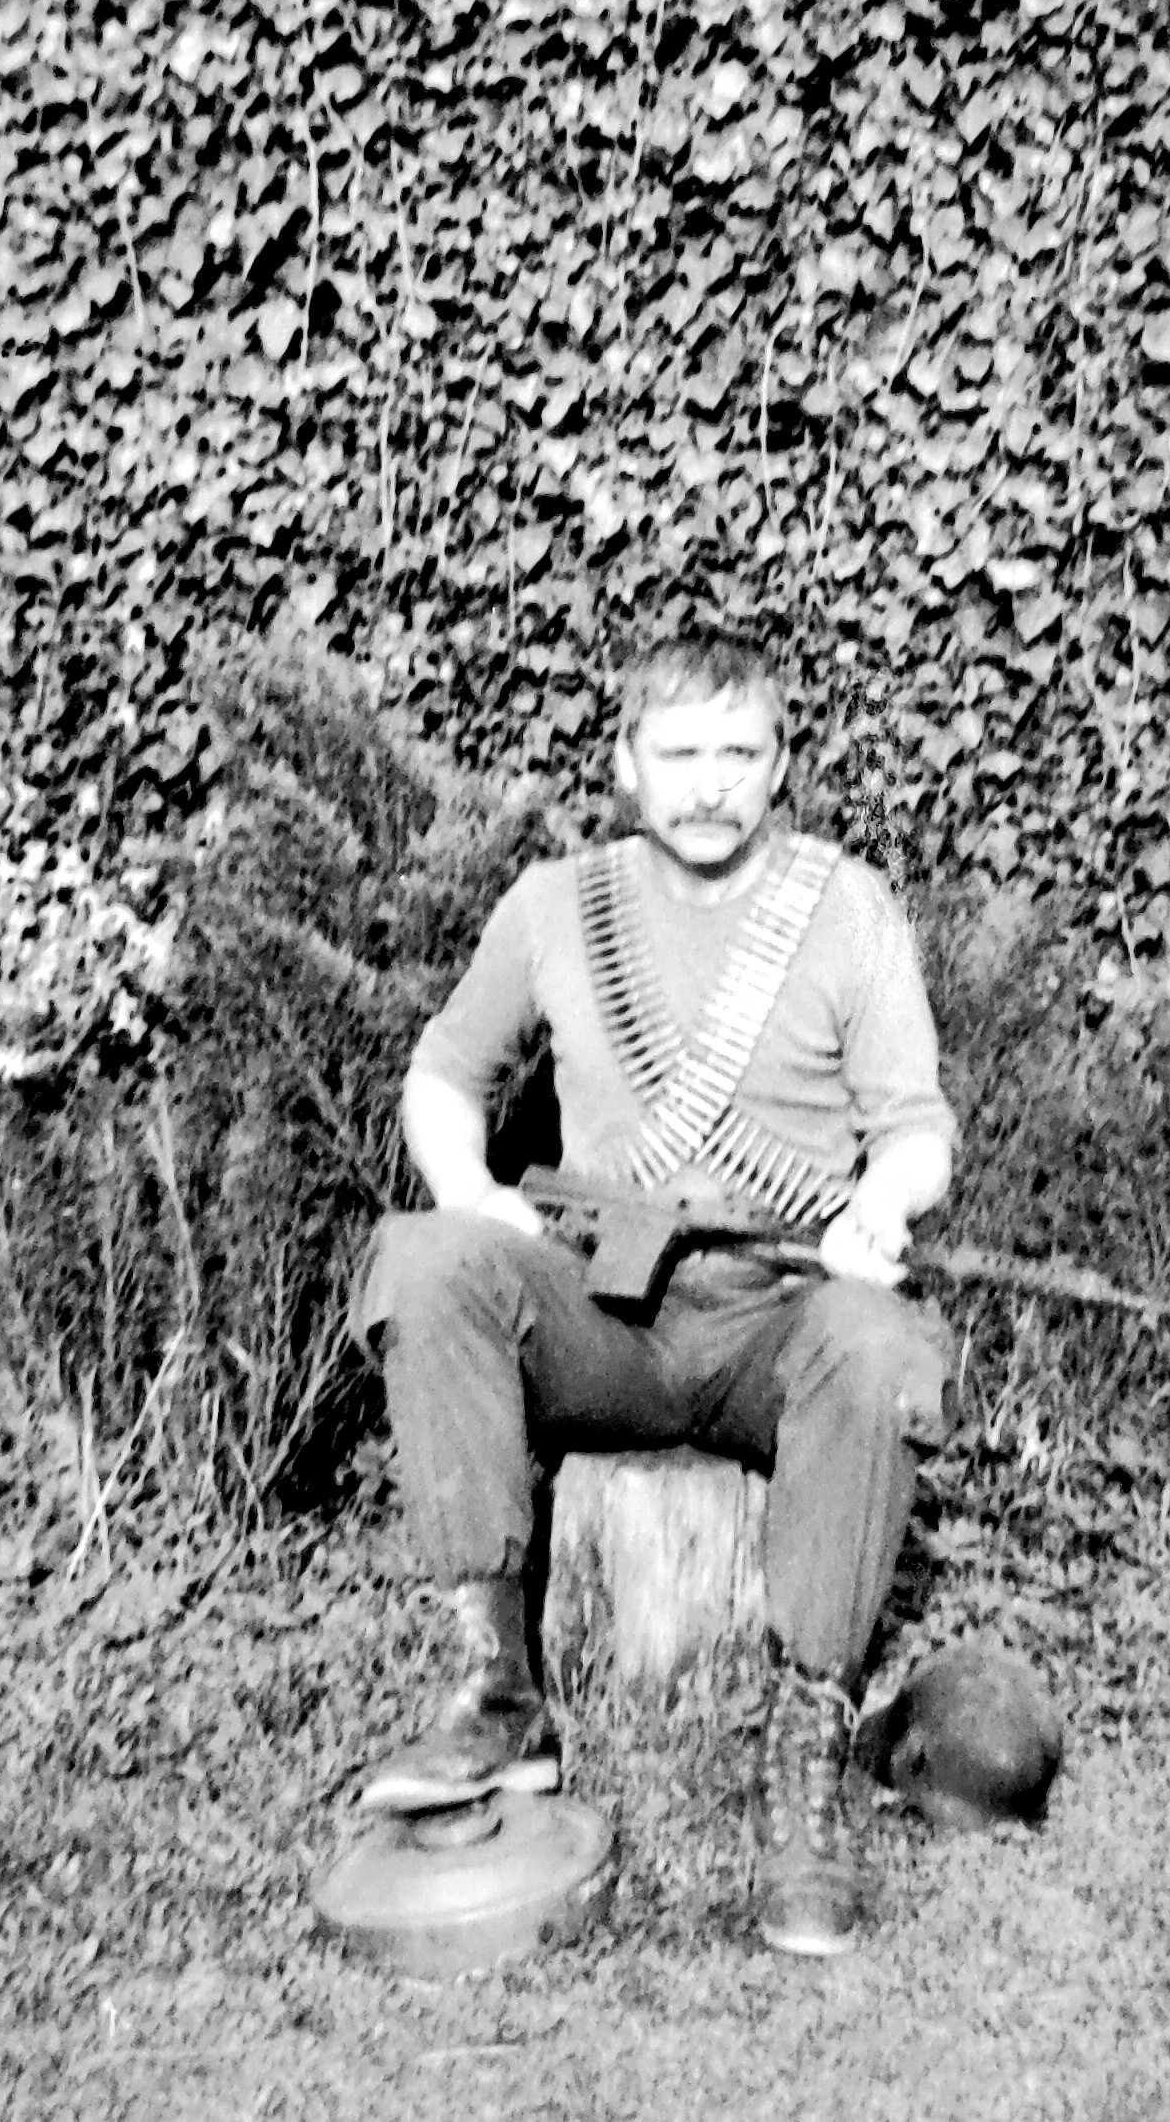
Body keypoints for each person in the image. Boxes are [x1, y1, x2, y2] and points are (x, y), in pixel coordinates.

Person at [351, 631, 957, 1957]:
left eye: (740, 752)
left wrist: (881, 1203)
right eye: (679, 753)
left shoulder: (846, 905)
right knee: (431, 1257)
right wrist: (471, 1187)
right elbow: (444, 1074)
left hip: (775, 1320)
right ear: (627, 764)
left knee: (875, 1341)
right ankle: (497, 1690)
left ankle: (803, 1761)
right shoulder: (555, 904)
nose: (709, 783)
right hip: (608, 1321)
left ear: (780, 764)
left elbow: (917, 1129)